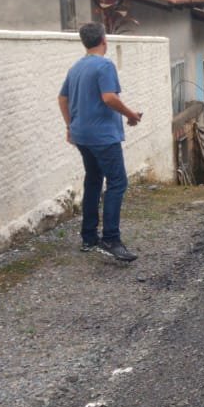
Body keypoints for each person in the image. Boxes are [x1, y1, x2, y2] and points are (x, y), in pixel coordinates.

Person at [57, 22, 143, 262]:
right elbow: (109, 97)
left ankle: (89, 236)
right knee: (117, 182)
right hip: (103, 136)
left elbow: (62, 98)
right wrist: (131, 115)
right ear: (104, 40)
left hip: (82, 135)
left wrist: (69, 126)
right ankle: (111, 238)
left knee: (93, 180)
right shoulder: (105, 65)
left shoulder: (76, 67)